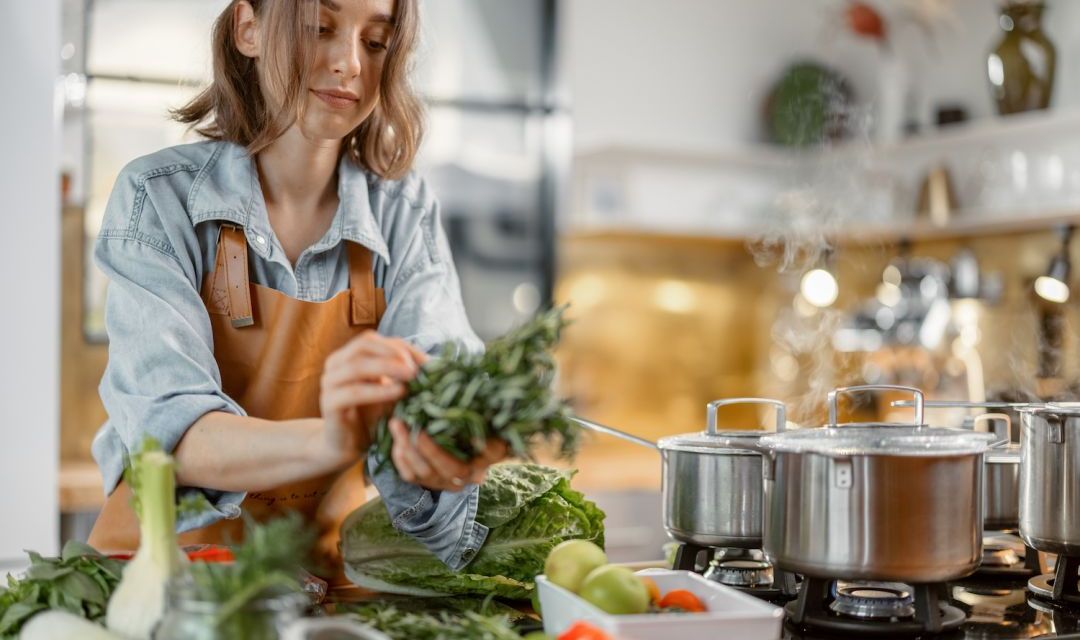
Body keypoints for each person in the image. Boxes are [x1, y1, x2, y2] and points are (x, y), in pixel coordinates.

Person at [87, 0, 506, 578]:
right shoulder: (158, 198)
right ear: (248, 28)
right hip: (164, 580)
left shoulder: (403, 212)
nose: (350, 63)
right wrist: (331, 441)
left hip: (322, 583)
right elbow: (170, 434)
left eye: (376, 42)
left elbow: (442, 378)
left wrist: (458, 437)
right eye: (320, 29)